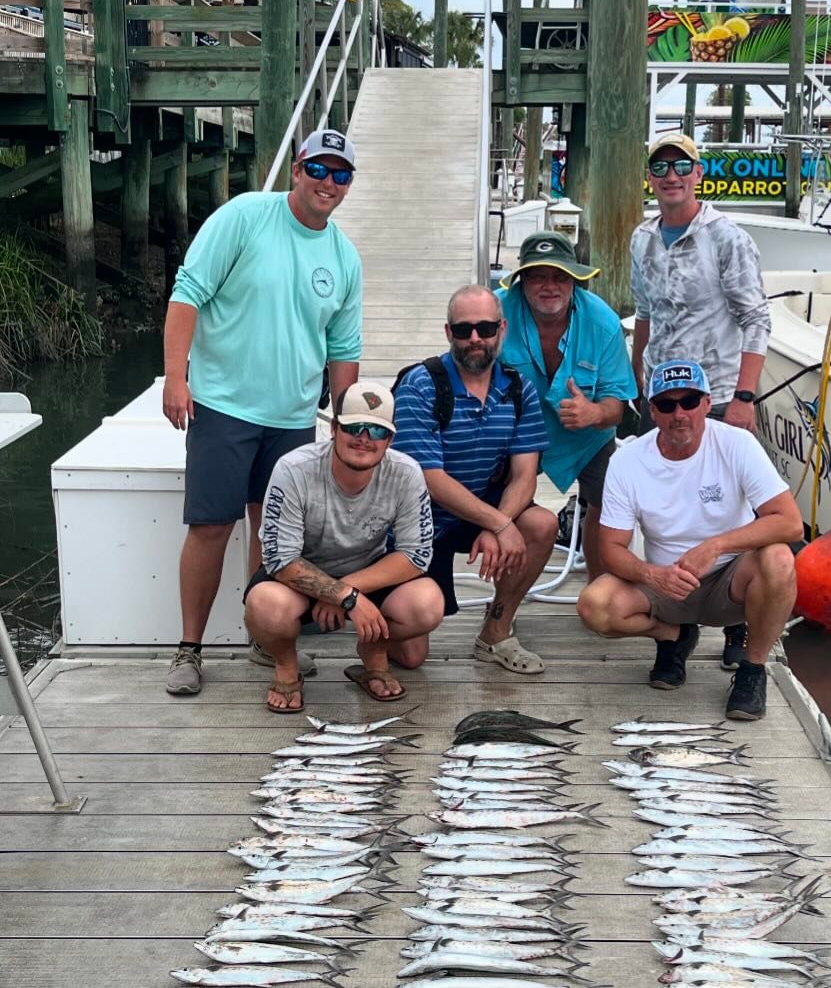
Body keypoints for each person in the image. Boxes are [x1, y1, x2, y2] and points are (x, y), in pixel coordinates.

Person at [162, 129, 363, 696]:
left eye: (341, 174)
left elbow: (343, 348)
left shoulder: (345, 257)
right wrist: (176, 380)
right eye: (318, 169)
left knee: (271, 530)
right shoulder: (246, 216)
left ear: (349, 185)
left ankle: (264, 637)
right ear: (296, 169)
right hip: (222, 405)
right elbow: (187, 294)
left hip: (293, 415)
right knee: (210, 525)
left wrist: (342, 423)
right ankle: (189, 648)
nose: (328, 182)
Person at [576, 360, 802, 720]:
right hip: (666, 584)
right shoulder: (628, 460)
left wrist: (714, 546)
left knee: (780, 559)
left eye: (690, 401)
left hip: (731, 580)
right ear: (652, 411)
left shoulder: (738, 443)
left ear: (708, 403)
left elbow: (791, 524)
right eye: (667, 405)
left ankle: (752, 670)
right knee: (594, 605)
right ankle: (674, 635)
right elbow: (611, 550)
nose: (679, 414)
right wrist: (653, 575)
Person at [630, 131, 772, 672]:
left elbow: (755, 318)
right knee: (666, 503)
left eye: (681, 165)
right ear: (651, 177)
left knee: (726, 503)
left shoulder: (725, 236)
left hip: (713, 391)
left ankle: (738, 626)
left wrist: (743, 396)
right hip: (661, 396)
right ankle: (679, 626)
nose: (670, 175)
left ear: (698, 173)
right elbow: (644, 315)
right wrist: (637, 389)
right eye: (660, 166)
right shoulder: (642, 238)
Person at [244, 381, 444, 711]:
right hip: (296, 579)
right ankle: (286, 665)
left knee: (427, 604)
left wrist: (346, 592)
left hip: (366, 575)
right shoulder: (293, 469)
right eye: (353, 427)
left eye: (377, 431)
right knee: (265, 605)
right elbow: (280, 559)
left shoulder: (407, 473)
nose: (364, 438)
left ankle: (373, 652)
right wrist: (343, 596)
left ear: (390, 440)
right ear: (334, 428)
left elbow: (416, 555)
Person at [393, 284, 558, 674]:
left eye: (485, 328)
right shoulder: (421, 384)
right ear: (448, 332)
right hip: (417, 522)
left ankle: (496, 633)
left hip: (477, 509)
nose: (475, 339)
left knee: (540, 524)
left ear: (501, 329)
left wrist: (498, 522)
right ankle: (372, 610)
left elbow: (525, 475)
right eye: (463, 329)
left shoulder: (519, 388)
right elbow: (429, 478)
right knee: (412, 656)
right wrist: (499, 523)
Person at [496, 232, 638, 580]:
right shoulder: (494, 312)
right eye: (538, 276)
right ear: (521, 280)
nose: (549, 286)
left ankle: (599, 589)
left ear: (575, 281)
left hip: (586, 438)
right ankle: (501, 598)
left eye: (560, 276)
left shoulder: (604, 323)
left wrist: (593, 413)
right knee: (503, 505)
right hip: (517, 434)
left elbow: (617, 407)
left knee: (607, 502)